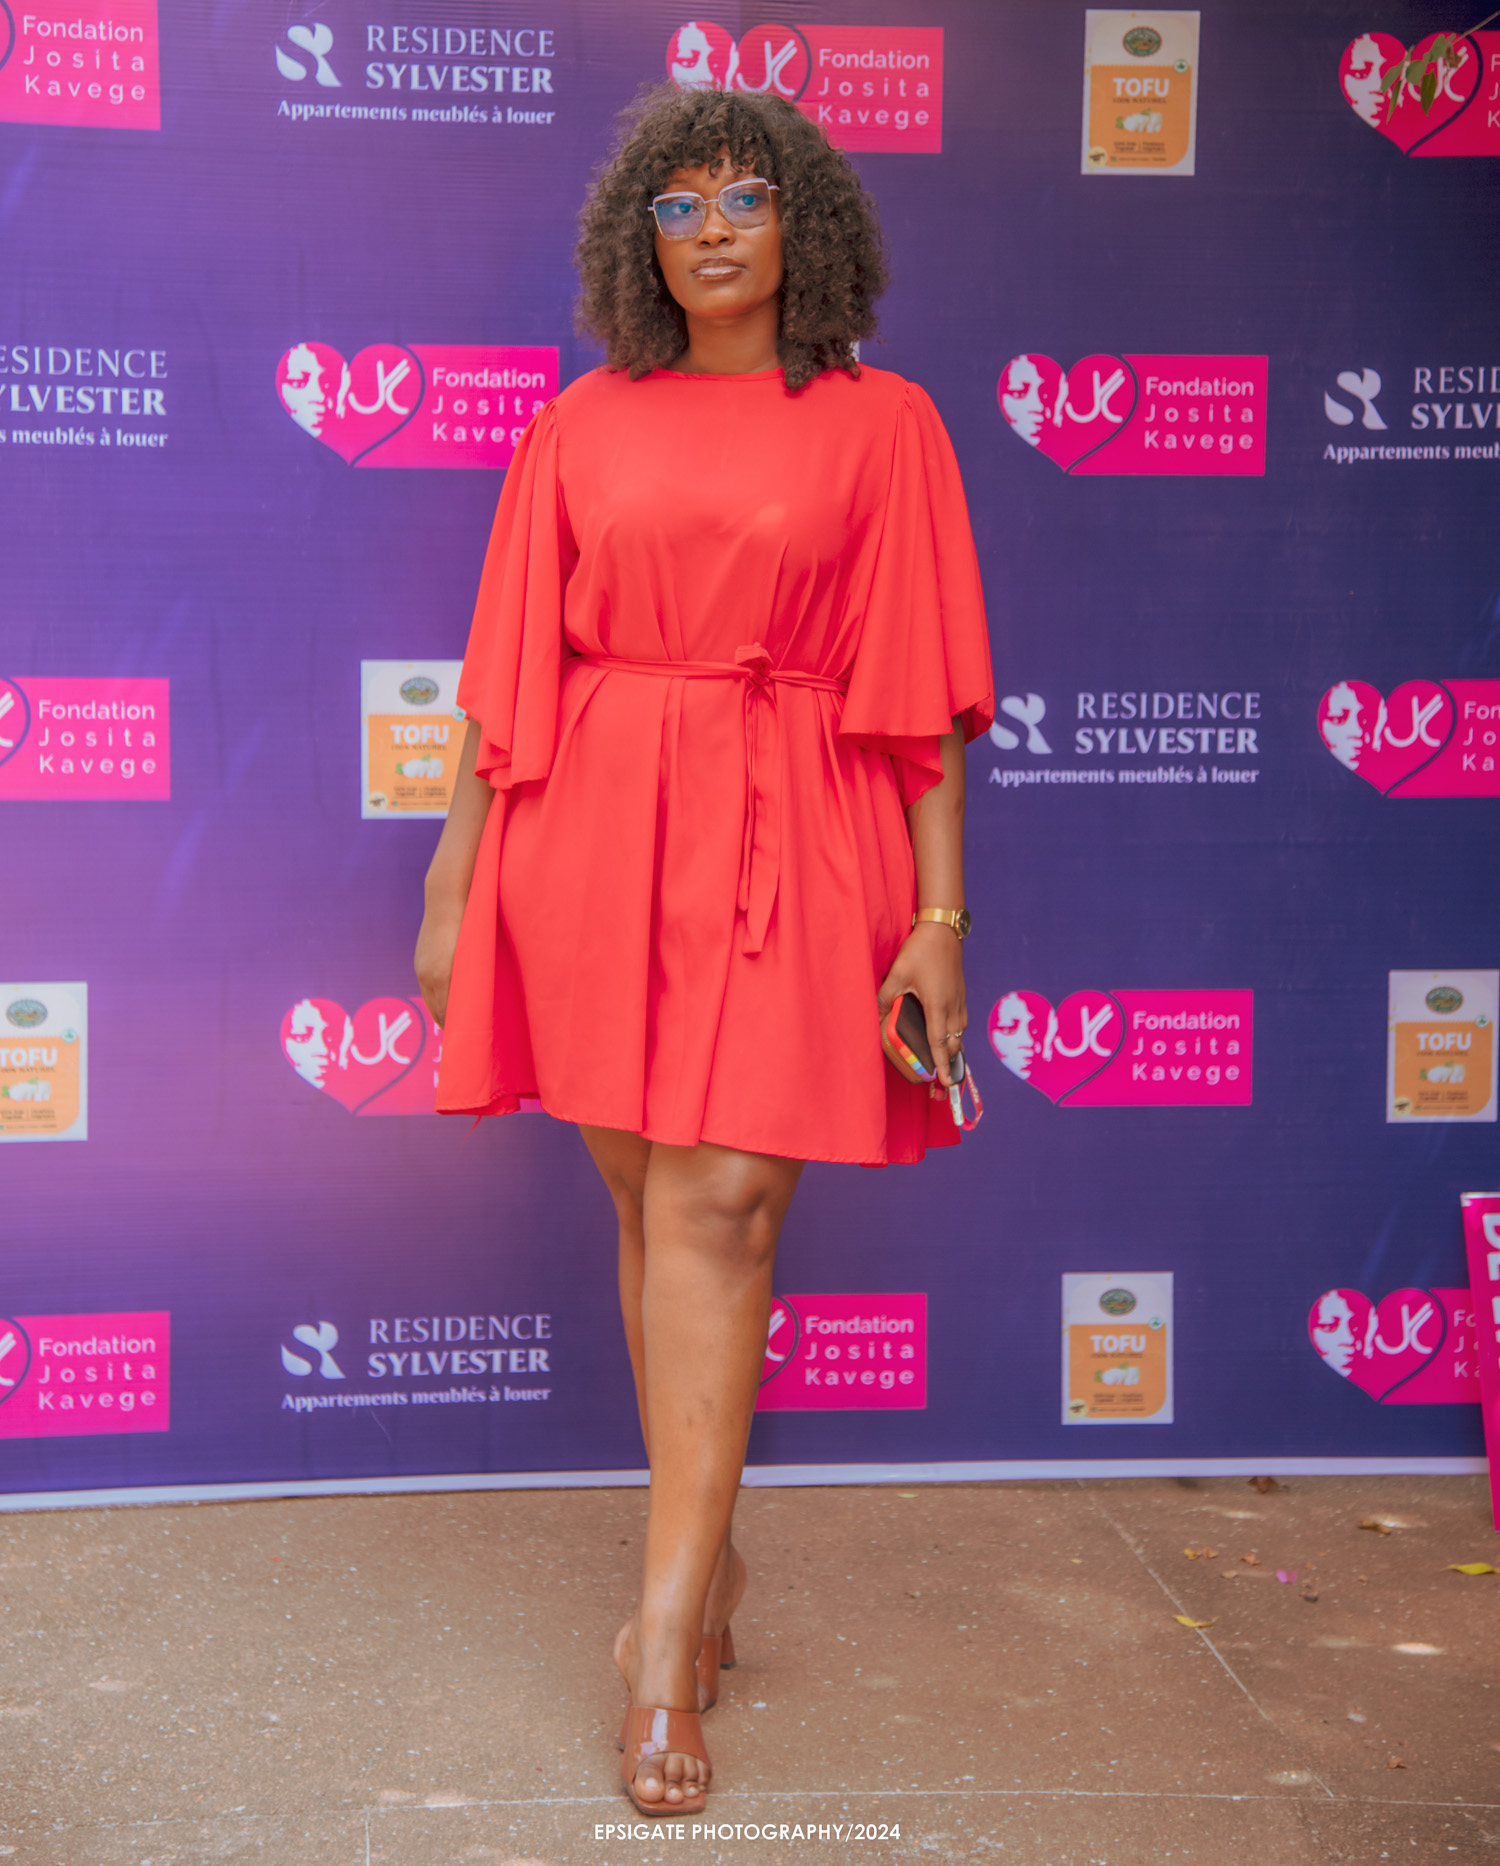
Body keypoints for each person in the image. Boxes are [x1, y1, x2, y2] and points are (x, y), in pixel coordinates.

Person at [414, 85, 994, 1818]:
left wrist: (939, 917)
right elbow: (508, 672)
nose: (715, 228)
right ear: (639, 241)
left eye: (747, 195)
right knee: (646, 1196)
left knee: (725, 1201)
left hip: (794, 822)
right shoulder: (580, 424)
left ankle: (659, 1637)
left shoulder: (887, 424)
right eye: (679, 205)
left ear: (804, 222)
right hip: (591, 828)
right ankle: (711, 1550)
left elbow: (921, 697)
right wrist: (452, 882)